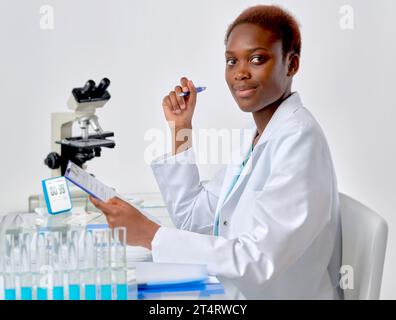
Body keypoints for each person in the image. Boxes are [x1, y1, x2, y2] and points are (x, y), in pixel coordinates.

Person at [90, 5, 343, 299]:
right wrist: (181, 128)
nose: (240, 73)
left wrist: (150, 235)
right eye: (231, 61)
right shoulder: (257, 137)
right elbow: (195, 219)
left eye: (257, 58)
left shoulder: (300, 140)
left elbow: (258, 261)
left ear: (292, 64)